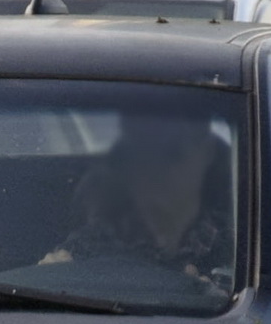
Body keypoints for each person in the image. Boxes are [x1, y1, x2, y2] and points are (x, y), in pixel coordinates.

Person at [43, 114, 230, 279]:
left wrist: (211, 294)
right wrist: (52, 269)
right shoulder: (104, 232)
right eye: (141, 155)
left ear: (206, 153)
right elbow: (62, 270)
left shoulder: (235, 240)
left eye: (173, 154)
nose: (153, 171)